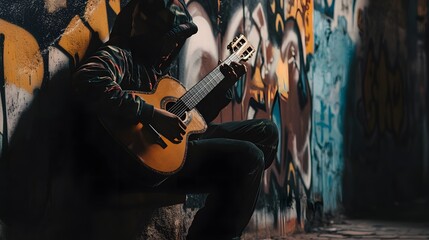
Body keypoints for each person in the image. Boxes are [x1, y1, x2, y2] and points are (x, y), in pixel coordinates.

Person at [71, 0, 279, 239]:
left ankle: (225, 208)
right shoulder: (121, 55)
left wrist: (225, 85)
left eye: (177, 43)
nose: (173, 48)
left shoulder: (157, 72)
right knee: (249, 158)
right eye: (168, 40)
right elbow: (88, 80)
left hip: (172, 150)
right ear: (149, 32)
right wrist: (151, 114)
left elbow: (195, 123)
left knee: (266, 132)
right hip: (136, 163)